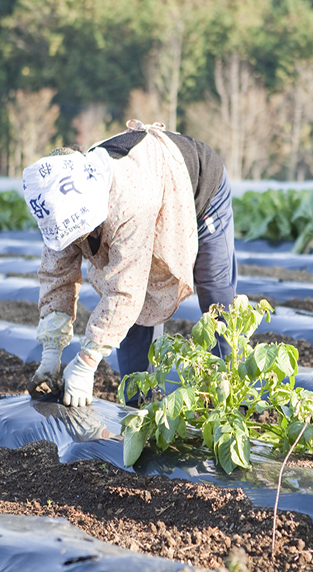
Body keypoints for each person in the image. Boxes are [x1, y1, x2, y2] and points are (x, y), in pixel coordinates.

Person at [22, 119, 237, 407]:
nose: (77, 241)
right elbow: (56, 274)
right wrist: (51, 352)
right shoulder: (59, 207)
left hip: (199, 189)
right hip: (150, 188)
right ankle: (140, 404)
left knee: (215, 295)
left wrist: (86, 363)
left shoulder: (128, 199)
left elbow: (126, 289)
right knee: (135, 319)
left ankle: (230, 399)